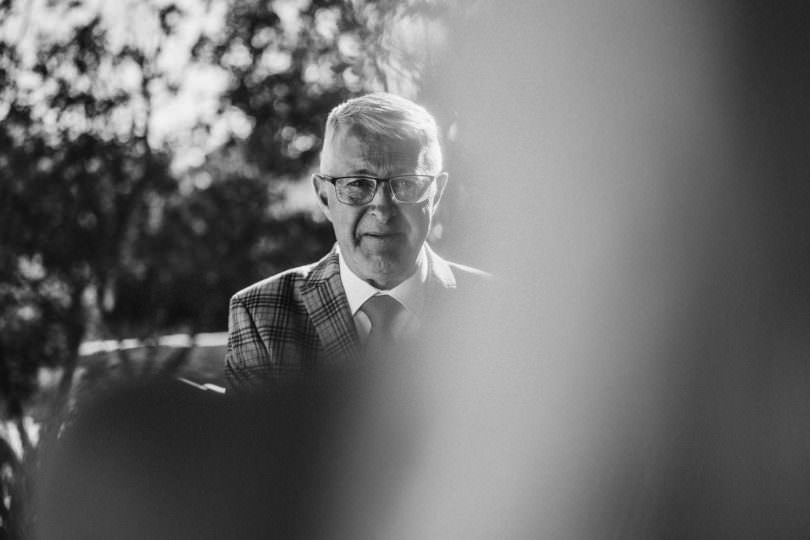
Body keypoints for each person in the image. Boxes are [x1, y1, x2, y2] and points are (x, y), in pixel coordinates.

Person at [225, 92, 488, 391]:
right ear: (324, 196)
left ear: (436, 193)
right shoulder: (261, 315)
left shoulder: (500, 310)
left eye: (406, 184)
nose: (383, 210)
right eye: (358, 184)